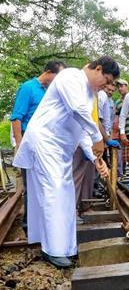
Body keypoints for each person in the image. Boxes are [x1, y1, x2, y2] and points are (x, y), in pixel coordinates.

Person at [13, 56, 117, 268]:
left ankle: (62, 246)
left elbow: (80, 132)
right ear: (97, 69)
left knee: (64, 192)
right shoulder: (71, 77)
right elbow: (78, 111)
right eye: (105, 81)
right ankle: (53, 250)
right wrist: (98, 138)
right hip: (45, 141)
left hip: (58, 149)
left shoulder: (89, 93)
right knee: (55, 191)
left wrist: (95, 158)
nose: (105, 86)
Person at [10, 60, 66, 235]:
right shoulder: (28, 88)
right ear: (49, 72)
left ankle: (43, 223)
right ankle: (29, 225)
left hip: (44, 143)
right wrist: (20, 144)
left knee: (42, 184)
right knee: (29, 185)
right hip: (28, 140)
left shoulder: (48, 92)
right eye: (58, 76)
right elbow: (16, 117)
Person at [114, 79, 129, 182]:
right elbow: (117, 118)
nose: (120, 88)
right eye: (119, 87)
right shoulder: (118, 102)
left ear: (127, 86)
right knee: (128, 157)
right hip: (124, 132)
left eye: (122, 86)